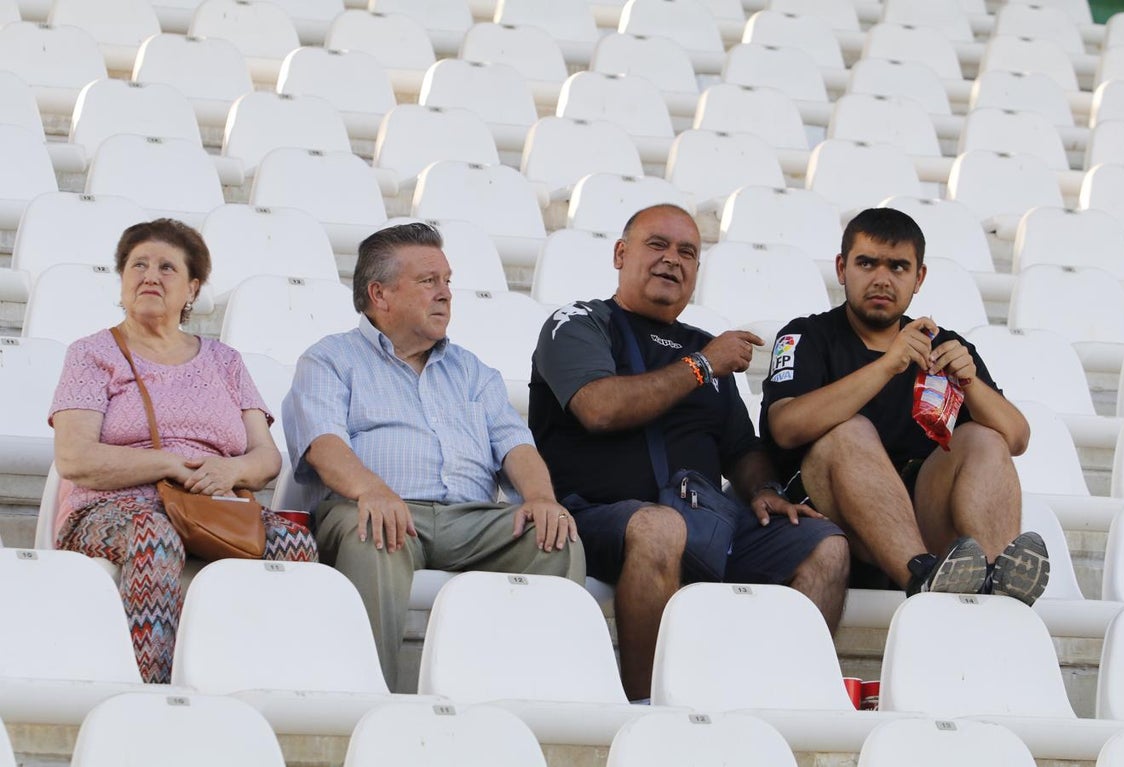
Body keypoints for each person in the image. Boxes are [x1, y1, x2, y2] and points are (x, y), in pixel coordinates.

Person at [529, 204, 849, 701]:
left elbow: (741, 449)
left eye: (687, 253)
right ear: (620, 253)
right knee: (660, 527)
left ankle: (779, 707)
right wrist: (702, 365)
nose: (671, 260)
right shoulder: (580, 322)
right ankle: (648, 713)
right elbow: (600, 408)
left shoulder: (704, 345)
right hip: (589, 517)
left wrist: (763, 489)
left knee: (825, 546)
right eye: (656, 245)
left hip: (704, 520)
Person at [282, 222, 584, 688]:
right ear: (379, 295)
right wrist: (372, 491)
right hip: (376, 508)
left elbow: (516, 445)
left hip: (471, 518)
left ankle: (527, 699)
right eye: (429, 282)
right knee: (374, 532)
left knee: (553, 538)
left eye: (447, 281)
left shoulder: (473, 370)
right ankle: (365, 701)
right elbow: (324, 446)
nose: (445, 294)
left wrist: (542, 498)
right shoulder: (329, 359)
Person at [50, 219, 318, 684]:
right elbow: (74, 458)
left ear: (192, 289)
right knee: (154, 536)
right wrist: (170, 464)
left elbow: (266, 458)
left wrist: (230, 469)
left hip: (211, 505)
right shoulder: (92, 354)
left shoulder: (225, 361)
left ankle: (256, 681)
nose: (150, 276)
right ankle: (151, 692)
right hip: (110, 508)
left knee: (295, 544)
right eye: (139, 265)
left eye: (167, 267)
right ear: (122, 280)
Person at [761, 207, 1049, 605]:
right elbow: (785, 426)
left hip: (925, 528)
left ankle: (997, 591)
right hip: (830, 525)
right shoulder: (805, 335)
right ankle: (922, 577)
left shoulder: (945, 343)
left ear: (919, 278)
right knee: (848, 430)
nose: (882, 278)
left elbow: (1017, 437)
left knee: (983, 439)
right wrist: (887, 366)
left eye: (898, 267)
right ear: (842, 269)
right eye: (867, 263)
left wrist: (970, 385)